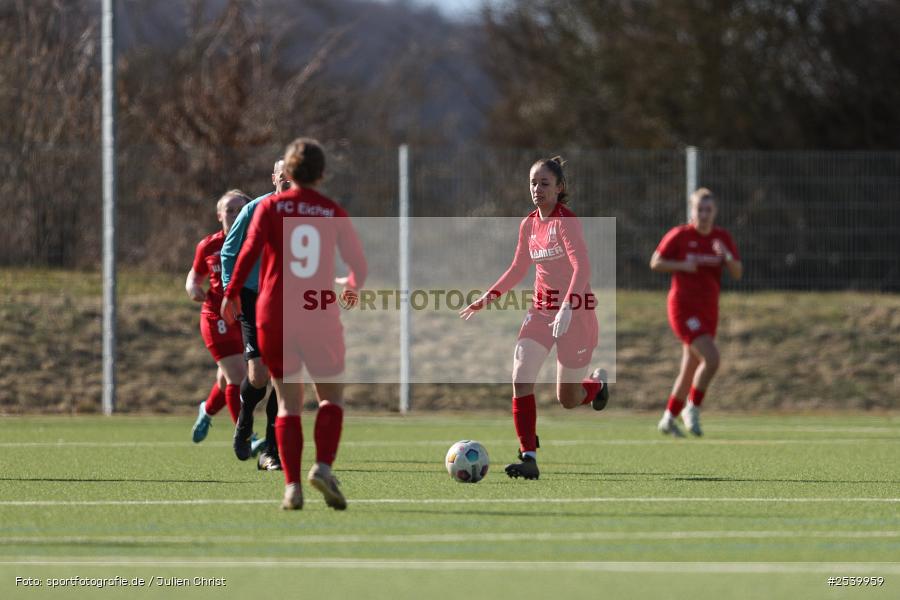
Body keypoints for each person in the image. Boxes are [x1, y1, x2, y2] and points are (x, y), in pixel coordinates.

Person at [222, 138, 367, 510]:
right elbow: (358, 265)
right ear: (321, 173)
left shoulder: (269, 208)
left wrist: (231, 294)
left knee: (288, 403)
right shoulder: (331, 211)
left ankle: (291, 486)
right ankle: (321, 466)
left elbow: (246, 254)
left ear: (287, 171)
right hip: (316, 311)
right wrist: (351, 286)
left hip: (273, 315)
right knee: (331, 398)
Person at [460, 156, 609, 481]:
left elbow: (582, 267)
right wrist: (487, 298)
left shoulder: (565, 222)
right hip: (541, 311)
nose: (537, 189)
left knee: (567, 399)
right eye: (533, 182)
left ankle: (596, 386)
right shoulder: (529, 224)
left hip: (576, 312)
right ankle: (528, 456)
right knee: (520, 377)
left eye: (544, 183)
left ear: (559, 188)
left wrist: (569, 307)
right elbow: (517, 268)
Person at [650, 188, 742, 437]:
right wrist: (682, 265)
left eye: (708, 209)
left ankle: (668, 418)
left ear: (715, 212)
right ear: (691, 211)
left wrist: (727, 255)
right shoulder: (680, 235)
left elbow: (737, 272)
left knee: (690, 367)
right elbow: (655, 261)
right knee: (712, 359)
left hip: (709, 309)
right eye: (699, 209)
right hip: (683, 307)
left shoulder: (721, 238)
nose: (703, 214)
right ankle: (692, 407)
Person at [221, 160, 292, 471]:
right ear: (274, 177)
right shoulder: (256, 210)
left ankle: (270, 452)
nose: (290, 179)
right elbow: (229, 251)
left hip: (292, 300)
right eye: (284, 174)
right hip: (254, 297)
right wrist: (230, 292)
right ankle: (245, 415)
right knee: (258, 375)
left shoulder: (311, 212)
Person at [187, 190, 251, 442]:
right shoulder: (208, 245)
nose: (234, 215)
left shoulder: (255, 242)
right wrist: (192, 287)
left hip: (245, 316)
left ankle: (207, 410)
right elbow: (195, 275)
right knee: (238, 375)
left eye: (239, 210)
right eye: (229, 210)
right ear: (219, 215)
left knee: (226, 379)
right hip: (217, 316)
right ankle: (244, 435)